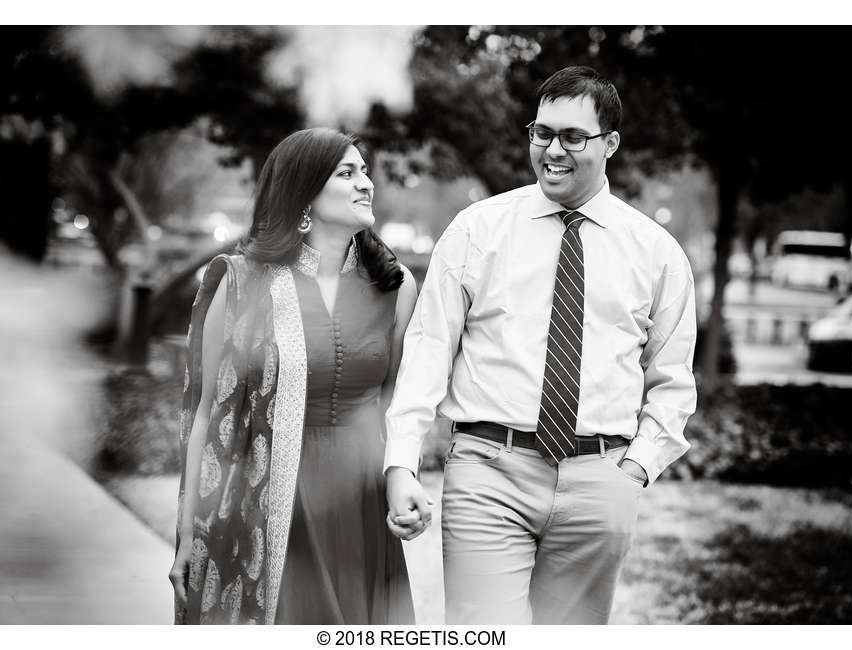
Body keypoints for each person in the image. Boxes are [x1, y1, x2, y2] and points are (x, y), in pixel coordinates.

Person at [384, 66, 697, 624]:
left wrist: (636, 470)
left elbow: (672, 379)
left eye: (572, 137)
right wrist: (401, 463)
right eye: (541, 133)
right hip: (488, 471)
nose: (552, 150)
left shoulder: (656, 252)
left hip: (600, 481)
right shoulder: (477, 230)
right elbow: (428, 350)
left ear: (611, 144)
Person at [169, 127, 418, 625]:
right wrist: (186, 532)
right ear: (303, 194)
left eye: (364, 171)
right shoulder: (242, 283)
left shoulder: (395, 286)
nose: (365, 183)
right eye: (347, 173)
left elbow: (395, 409)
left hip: (360, 504)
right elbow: (205, 417)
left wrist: (403, 480)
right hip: (261, 503)